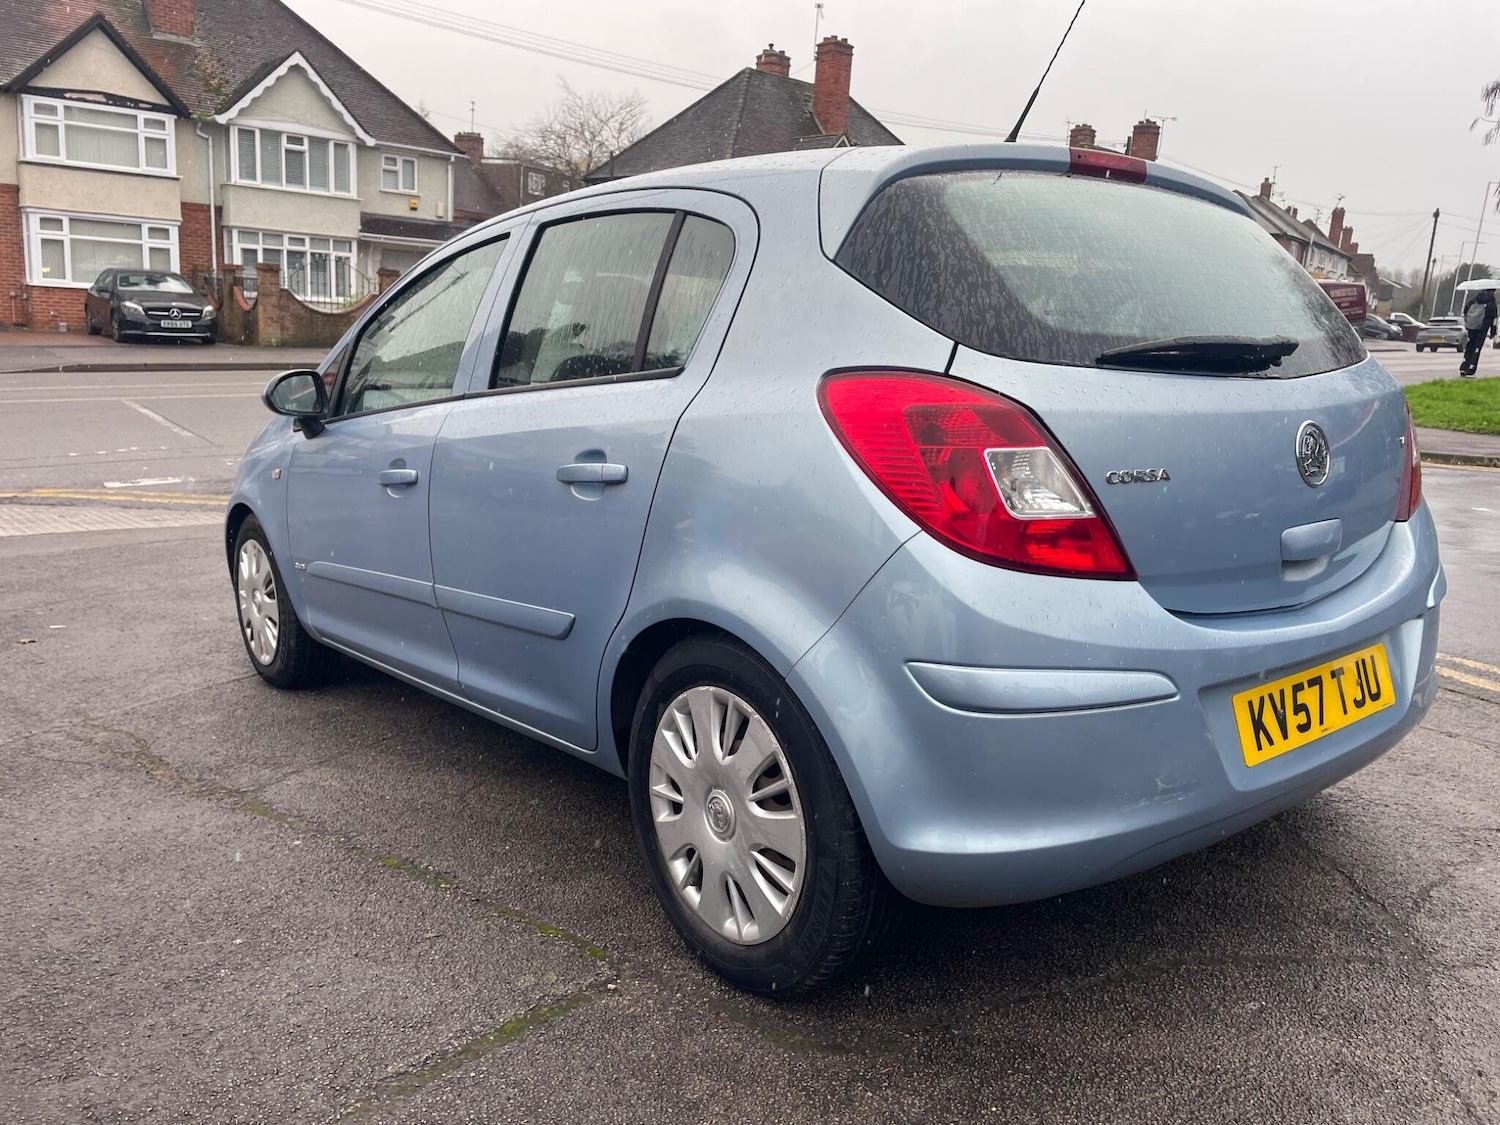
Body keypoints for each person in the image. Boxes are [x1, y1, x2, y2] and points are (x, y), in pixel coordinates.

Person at [1460, 287, 1498, 376]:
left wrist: (1468, 322)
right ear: (1493, 291)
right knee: (1477, 348)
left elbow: (1466, 310)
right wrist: (1493, 332)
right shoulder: (1492, 303)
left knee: (1469, 347)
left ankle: (1464, 366)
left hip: (1471, 327)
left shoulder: (1474, 300)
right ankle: (1471, 368)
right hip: (1482, 328)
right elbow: (1494, 320)